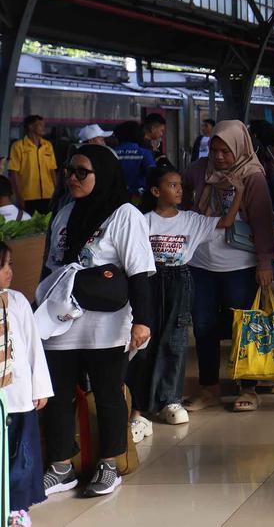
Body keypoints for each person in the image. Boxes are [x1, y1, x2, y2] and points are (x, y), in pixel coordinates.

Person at [39, 145, 155, 498]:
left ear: (101, 173)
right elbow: (51, 268)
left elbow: (140, 273)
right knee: (55, 394)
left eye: (81, 172)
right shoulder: (65, 212)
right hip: (60, 322)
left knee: (107, 393)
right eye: (69, 171)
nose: (72, 178)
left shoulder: (125, 215)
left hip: (106, 323)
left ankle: (109, 464)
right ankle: (61, 466)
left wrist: (142, 322)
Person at [129, 167, 238, 434]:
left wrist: (241, 193)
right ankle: (139, 408)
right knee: (145, 342)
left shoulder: (191, 219)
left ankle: (171, 401)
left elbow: (225, 222)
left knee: (175, 341)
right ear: (156, 191)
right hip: (149, 280)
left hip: (180, 281)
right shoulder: (143, 221)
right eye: (172, 185)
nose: (179, 190)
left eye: (180, 185)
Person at [181, 121, 274, 413]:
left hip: (240, 264)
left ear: (240, 147)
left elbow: (262, 222)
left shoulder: (253, 176)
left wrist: (264, 262)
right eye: (214, 149)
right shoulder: (198, 170)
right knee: (203, 325)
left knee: (244, 326)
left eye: (226, 151)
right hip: (201, 262)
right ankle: (208, 387)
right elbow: (183, 204)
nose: (219, 157)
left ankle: (248, 387)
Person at [0, 241, 52, 526]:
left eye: (10, 265)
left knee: (22, 456)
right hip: (1, 403)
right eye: (5, 265)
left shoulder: (18, 300)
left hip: (19, 397)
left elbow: (34, 346)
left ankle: (18, 508)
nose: (10, 271)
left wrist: (40, 386)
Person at [7, 115, 57, 215]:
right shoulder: (18, 146)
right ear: (30, 127)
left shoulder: (47, 145)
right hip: (28, 196)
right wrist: (19, 196)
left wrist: (57, 192)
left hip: (49, 195)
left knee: (48, 225)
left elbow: (52, 170)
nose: (43, 128)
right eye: (40, 125)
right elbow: (14, 173)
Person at [113, 121, 156, 199]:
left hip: (116, 196)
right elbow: (152, 175)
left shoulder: (111, 152)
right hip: (138, 197)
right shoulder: (144, 153)